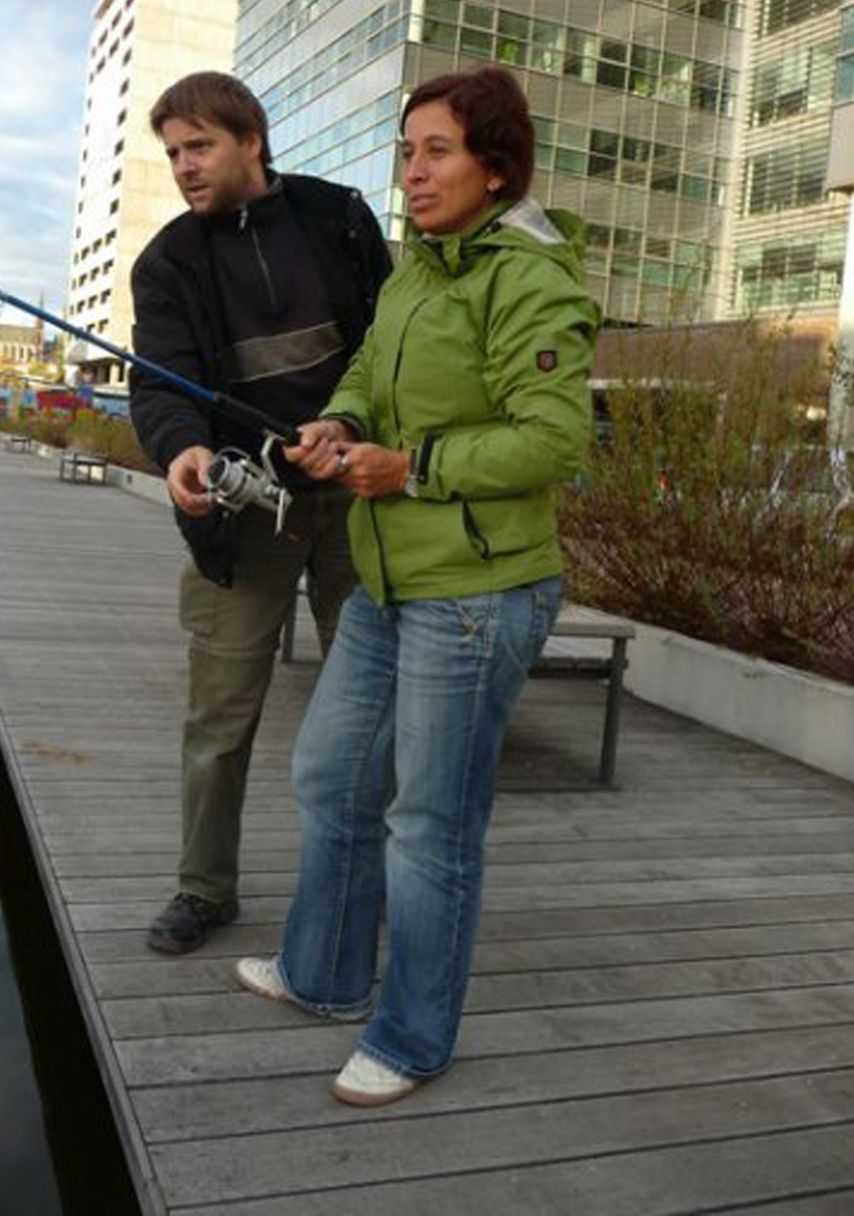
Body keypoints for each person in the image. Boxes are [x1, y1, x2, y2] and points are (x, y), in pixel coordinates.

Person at [234, 65, 600, 1105]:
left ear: (496, 165)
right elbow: (365, 376)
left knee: (431, 823)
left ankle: (412, 1035)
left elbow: (552, 439)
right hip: (393, 581)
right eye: (406, 151)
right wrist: (340, 426)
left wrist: (414, 467)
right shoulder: (418, 270)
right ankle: (325, 974)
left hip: (480, 594)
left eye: (437, 150)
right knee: (330, 773)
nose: (415, 170)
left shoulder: (531, 277)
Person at [129, 71, 391, 954]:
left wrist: (354, 430)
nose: (183, 167)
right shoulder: (165, 263)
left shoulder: (342, 218)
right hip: (246, 523)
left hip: (360, 506)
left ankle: (369, 882)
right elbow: (159, 383)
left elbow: (393, 350)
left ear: (252, 138)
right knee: (218, 717)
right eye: (172, 153)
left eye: (198, 146)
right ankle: (205, 890)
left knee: (375, 710)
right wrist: (180, 452)